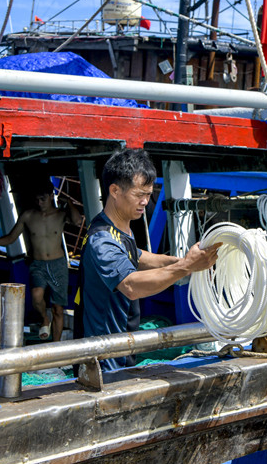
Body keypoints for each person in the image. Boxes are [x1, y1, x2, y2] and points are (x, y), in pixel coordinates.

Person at [79, 148, 220, 370]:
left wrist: (184, 262)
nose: (145, 201)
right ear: (115, 190)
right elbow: (131, 286)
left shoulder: (119, 227)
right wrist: (186, 266)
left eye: (149, 194)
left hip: (121, 348)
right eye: (139, 195)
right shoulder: (102, 240)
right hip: (105, 360)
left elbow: (137, 256)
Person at [0, 183, 84, 341]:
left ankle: (56, 346)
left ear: (51, 196)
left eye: (43, 199)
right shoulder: (28, 216)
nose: (40, 203)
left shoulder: (60, 214)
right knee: (37, 296)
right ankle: (45, 318)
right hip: (37, 264)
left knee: (58, 309)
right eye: (37, 200)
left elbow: (78, 221)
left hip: (57, 265)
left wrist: (69, 203)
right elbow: (11, 238)